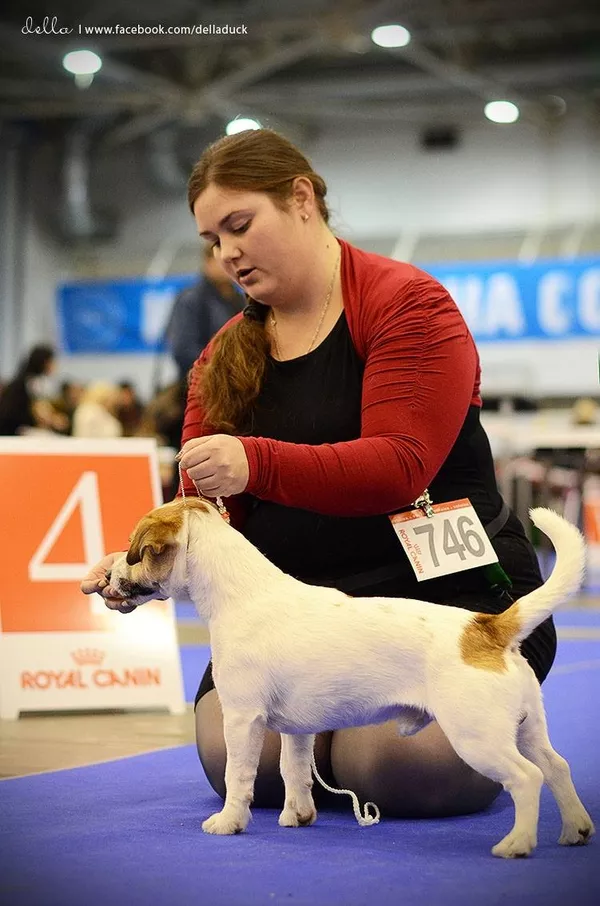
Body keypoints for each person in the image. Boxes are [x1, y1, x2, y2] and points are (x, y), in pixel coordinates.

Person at [81, 128, 556, 819]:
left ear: (301, 199)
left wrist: (255, 460)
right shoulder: (219, 357)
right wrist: (141, 569)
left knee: (396, 768)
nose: (226, 253)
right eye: (212, 239)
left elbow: (399, 467)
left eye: (240, 225)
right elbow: (203, 517)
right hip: (295, 617)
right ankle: (331, 746)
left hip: (445, 595)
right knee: (241, 759)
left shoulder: (410, 305)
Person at [166, 243, 244, 381]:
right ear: (207, 262)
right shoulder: (191, 300)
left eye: (233, 260)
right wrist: (224, 367)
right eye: (221, 259)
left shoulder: (240, 299)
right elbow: (183, 350)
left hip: (238, 381)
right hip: (205, 382)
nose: (228, 265)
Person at [0, 344, 67, 435]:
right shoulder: (32, 382)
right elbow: (40, 411)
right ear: (44, 362)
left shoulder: (24, 379)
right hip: (14, 429)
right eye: (52, 362)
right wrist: (55, 420)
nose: (55, 365)